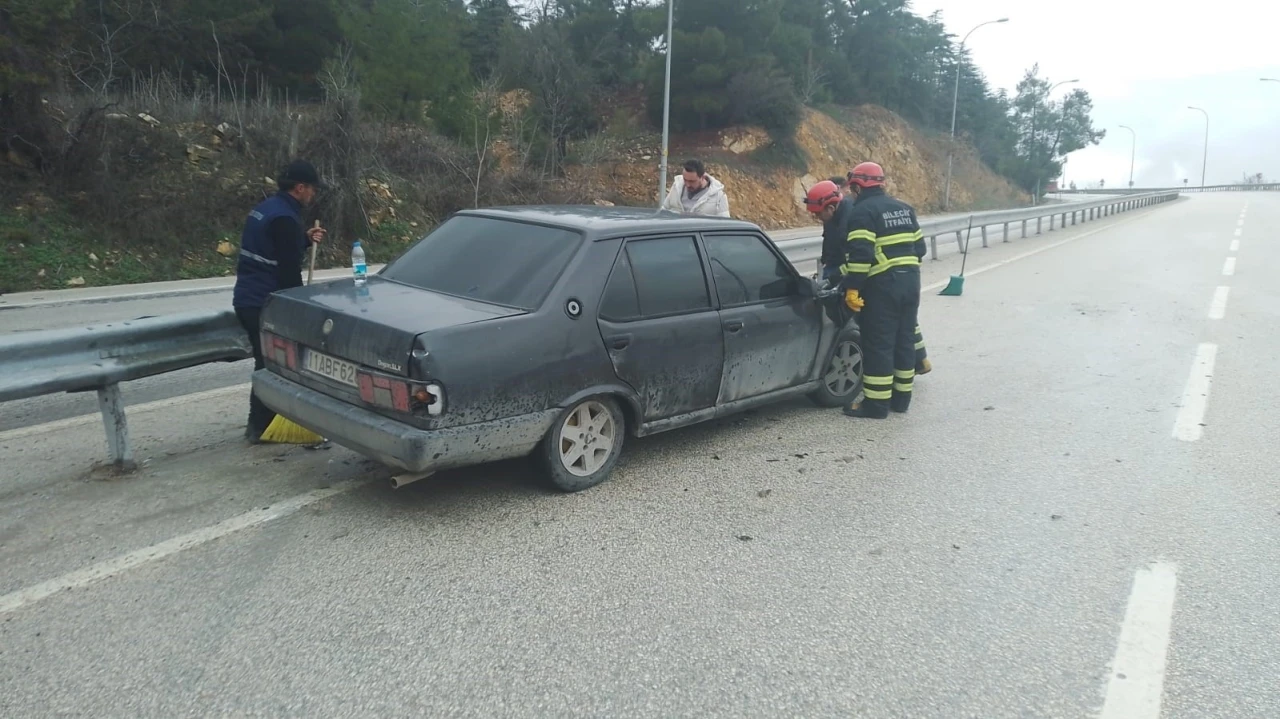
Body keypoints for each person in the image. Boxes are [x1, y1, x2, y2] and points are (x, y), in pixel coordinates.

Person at [232, 159, 327, 443]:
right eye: (312, 189)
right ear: (300, 188)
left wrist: (304, 239)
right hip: (264, 303)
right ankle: (259, 427)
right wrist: (297, 309)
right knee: (271, 366)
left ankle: (264, 424)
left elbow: (271, 247)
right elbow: (287, 272)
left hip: (247, 299)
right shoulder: (285, 218)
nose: (314, 194)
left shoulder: (265, 209)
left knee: (268, 362)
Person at [807, 175, 932, 378]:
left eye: (817, 214)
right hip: (876, 272)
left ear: (829, 207)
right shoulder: (837, 215)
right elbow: (832, 244)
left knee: (880, 325)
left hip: (867, 271)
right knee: (904, 322)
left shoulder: (854, 215)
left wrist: (847, 279)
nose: (816, 218)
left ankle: (908, 363)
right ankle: (917, 361)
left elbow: (860, 253)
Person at [835, 161, 923, 419]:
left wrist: (852, 289)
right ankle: (901, 400)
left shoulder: (862, 212)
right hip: (911, 283)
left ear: (858, 187)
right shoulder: (905, 209)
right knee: (904, 340)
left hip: (884, 287)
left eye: (853, 188)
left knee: (879, 344)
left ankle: (875, 405)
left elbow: (861, 255)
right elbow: (920, 250)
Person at [661, 159, 731, 217]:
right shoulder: (676, 187)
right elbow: (663, 211)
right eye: (685, 180)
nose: (687, 185)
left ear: (702, 177)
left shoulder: (719, 197)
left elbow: (724, 225)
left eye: (692, 181)